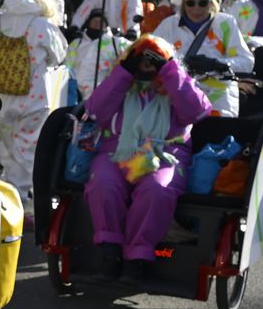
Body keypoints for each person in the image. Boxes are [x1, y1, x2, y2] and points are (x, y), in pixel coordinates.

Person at [81, 36, 211, 281]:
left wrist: (169, 71)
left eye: (154, 57)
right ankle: (110, 251)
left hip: (166, 152)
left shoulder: (176, 82)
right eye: (142, 57)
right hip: (117, 149)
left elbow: (197, 111)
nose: (147, 63)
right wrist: (124, 73)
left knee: (156, 190)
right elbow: (95, 111)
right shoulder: (121, 82)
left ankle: (137, 256)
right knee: (103, 184)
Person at [0, 0, 67, 211]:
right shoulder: (43, 25)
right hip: (34, 97)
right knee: (27, 149)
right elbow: (59, 55)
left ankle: (4, 192)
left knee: (8, 147)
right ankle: (20, 200)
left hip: (3, 95)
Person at [150, 0, 252, 116]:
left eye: (203, 3)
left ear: (212, 3)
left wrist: (217, 64)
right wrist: (177, 65)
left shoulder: (225, 24)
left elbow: (247, 62)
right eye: (191, 3)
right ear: (184, 3)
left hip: (218, 99)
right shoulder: (168, 25)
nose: (196, 8)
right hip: (178, 96)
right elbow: (150, 56)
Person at [66, 8, 130, 106]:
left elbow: (134, 50)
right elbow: (67, 67)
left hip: (101, 95)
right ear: (88, 22)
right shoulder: (77, 43)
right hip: (74, 95)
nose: (97, 23)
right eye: (94, 20)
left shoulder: (116, 43)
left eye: (101, 21)